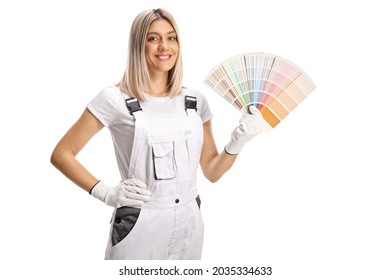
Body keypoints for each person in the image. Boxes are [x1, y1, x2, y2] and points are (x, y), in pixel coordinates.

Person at [50, 8, 263, 260]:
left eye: (171, 37)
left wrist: (237, 143)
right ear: (138, 45)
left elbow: (212, 172)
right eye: (153, 38)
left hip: (189, 221)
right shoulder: (114, 99)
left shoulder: (195, 101)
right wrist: (105, 193)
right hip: (140, 222)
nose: (164, 46)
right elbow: (62, 154)